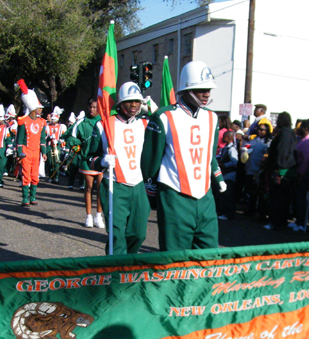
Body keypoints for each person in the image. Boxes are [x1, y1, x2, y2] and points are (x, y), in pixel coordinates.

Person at [142, 60, 226, 251]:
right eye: (201, 89)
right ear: (186, 90)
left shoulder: (212, 118)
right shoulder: (163, 116)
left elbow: (210, 156)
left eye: (209, 89)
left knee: (209, 255)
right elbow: (150, 162)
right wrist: (152, 194)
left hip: (205, 197)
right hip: (175, 196)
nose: (206, 94)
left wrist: (217, 176)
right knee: (175, 259)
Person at [90, 82, 151, 254]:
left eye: (137, 101)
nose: (133, 105)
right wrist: (102, 161)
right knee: (117, 236)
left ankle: (128, 266)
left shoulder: (146, 125)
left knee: (138, 234)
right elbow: (88, 158)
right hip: (114, 185)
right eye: (129, 101)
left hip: (138, 186)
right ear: (120, 103)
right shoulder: (104, 125)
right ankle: (115, 274)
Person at [65, 99, 105, 228]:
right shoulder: (81, 122)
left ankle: (98, 215)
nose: (92, 109)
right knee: (88, 187)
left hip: (101, 159)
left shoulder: (104, 121)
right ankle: (88, 216)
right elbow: (70, 136)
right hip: (87, 159)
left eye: (94, 107)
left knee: (101, 188)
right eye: (90, 107)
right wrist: (76, 146)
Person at [264, 112, 298, 231]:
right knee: (283, 199)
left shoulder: (285, 134)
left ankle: (276, 222)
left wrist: (277, 168)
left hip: (281, 171)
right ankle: (281, 221)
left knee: (278, 198)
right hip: (287, 170)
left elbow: (282, 153)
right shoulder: (290, 133)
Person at [15, 81, 46, 206]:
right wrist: (19, 153)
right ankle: (25, 197)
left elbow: (42, 139)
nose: (40, 110)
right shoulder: (24, 121)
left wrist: (44, 152)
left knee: (35, 174)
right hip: (26, 152)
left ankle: (33, 196)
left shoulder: (42, 122)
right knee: (26, 174)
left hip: (36, 151)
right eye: (39, 108)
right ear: (33, 108)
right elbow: (20, 139)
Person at [243, 118, 271, 219]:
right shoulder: (254, 140)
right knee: (250, 192)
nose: (260, 131)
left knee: (260, 193)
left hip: (260, 172)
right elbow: (246, 148)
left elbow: (267, 155)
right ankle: (250, 209)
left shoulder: (268, 142)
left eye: (262, 129)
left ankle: (260, 212)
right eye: (259, 129)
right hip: (250, 170)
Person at [43, 107, 66, 184]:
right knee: (50, 162)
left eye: (54, 120)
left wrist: (59, 142)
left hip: (57, 146)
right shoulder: (47, 126)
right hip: (50, 146)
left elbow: (63, 137)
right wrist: (49, 138)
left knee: (56, 162)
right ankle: (50, 177)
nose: (53, 121)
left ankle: (56, 177)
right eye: (52, 119)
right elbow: (44, 136)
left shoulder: (61, 126)